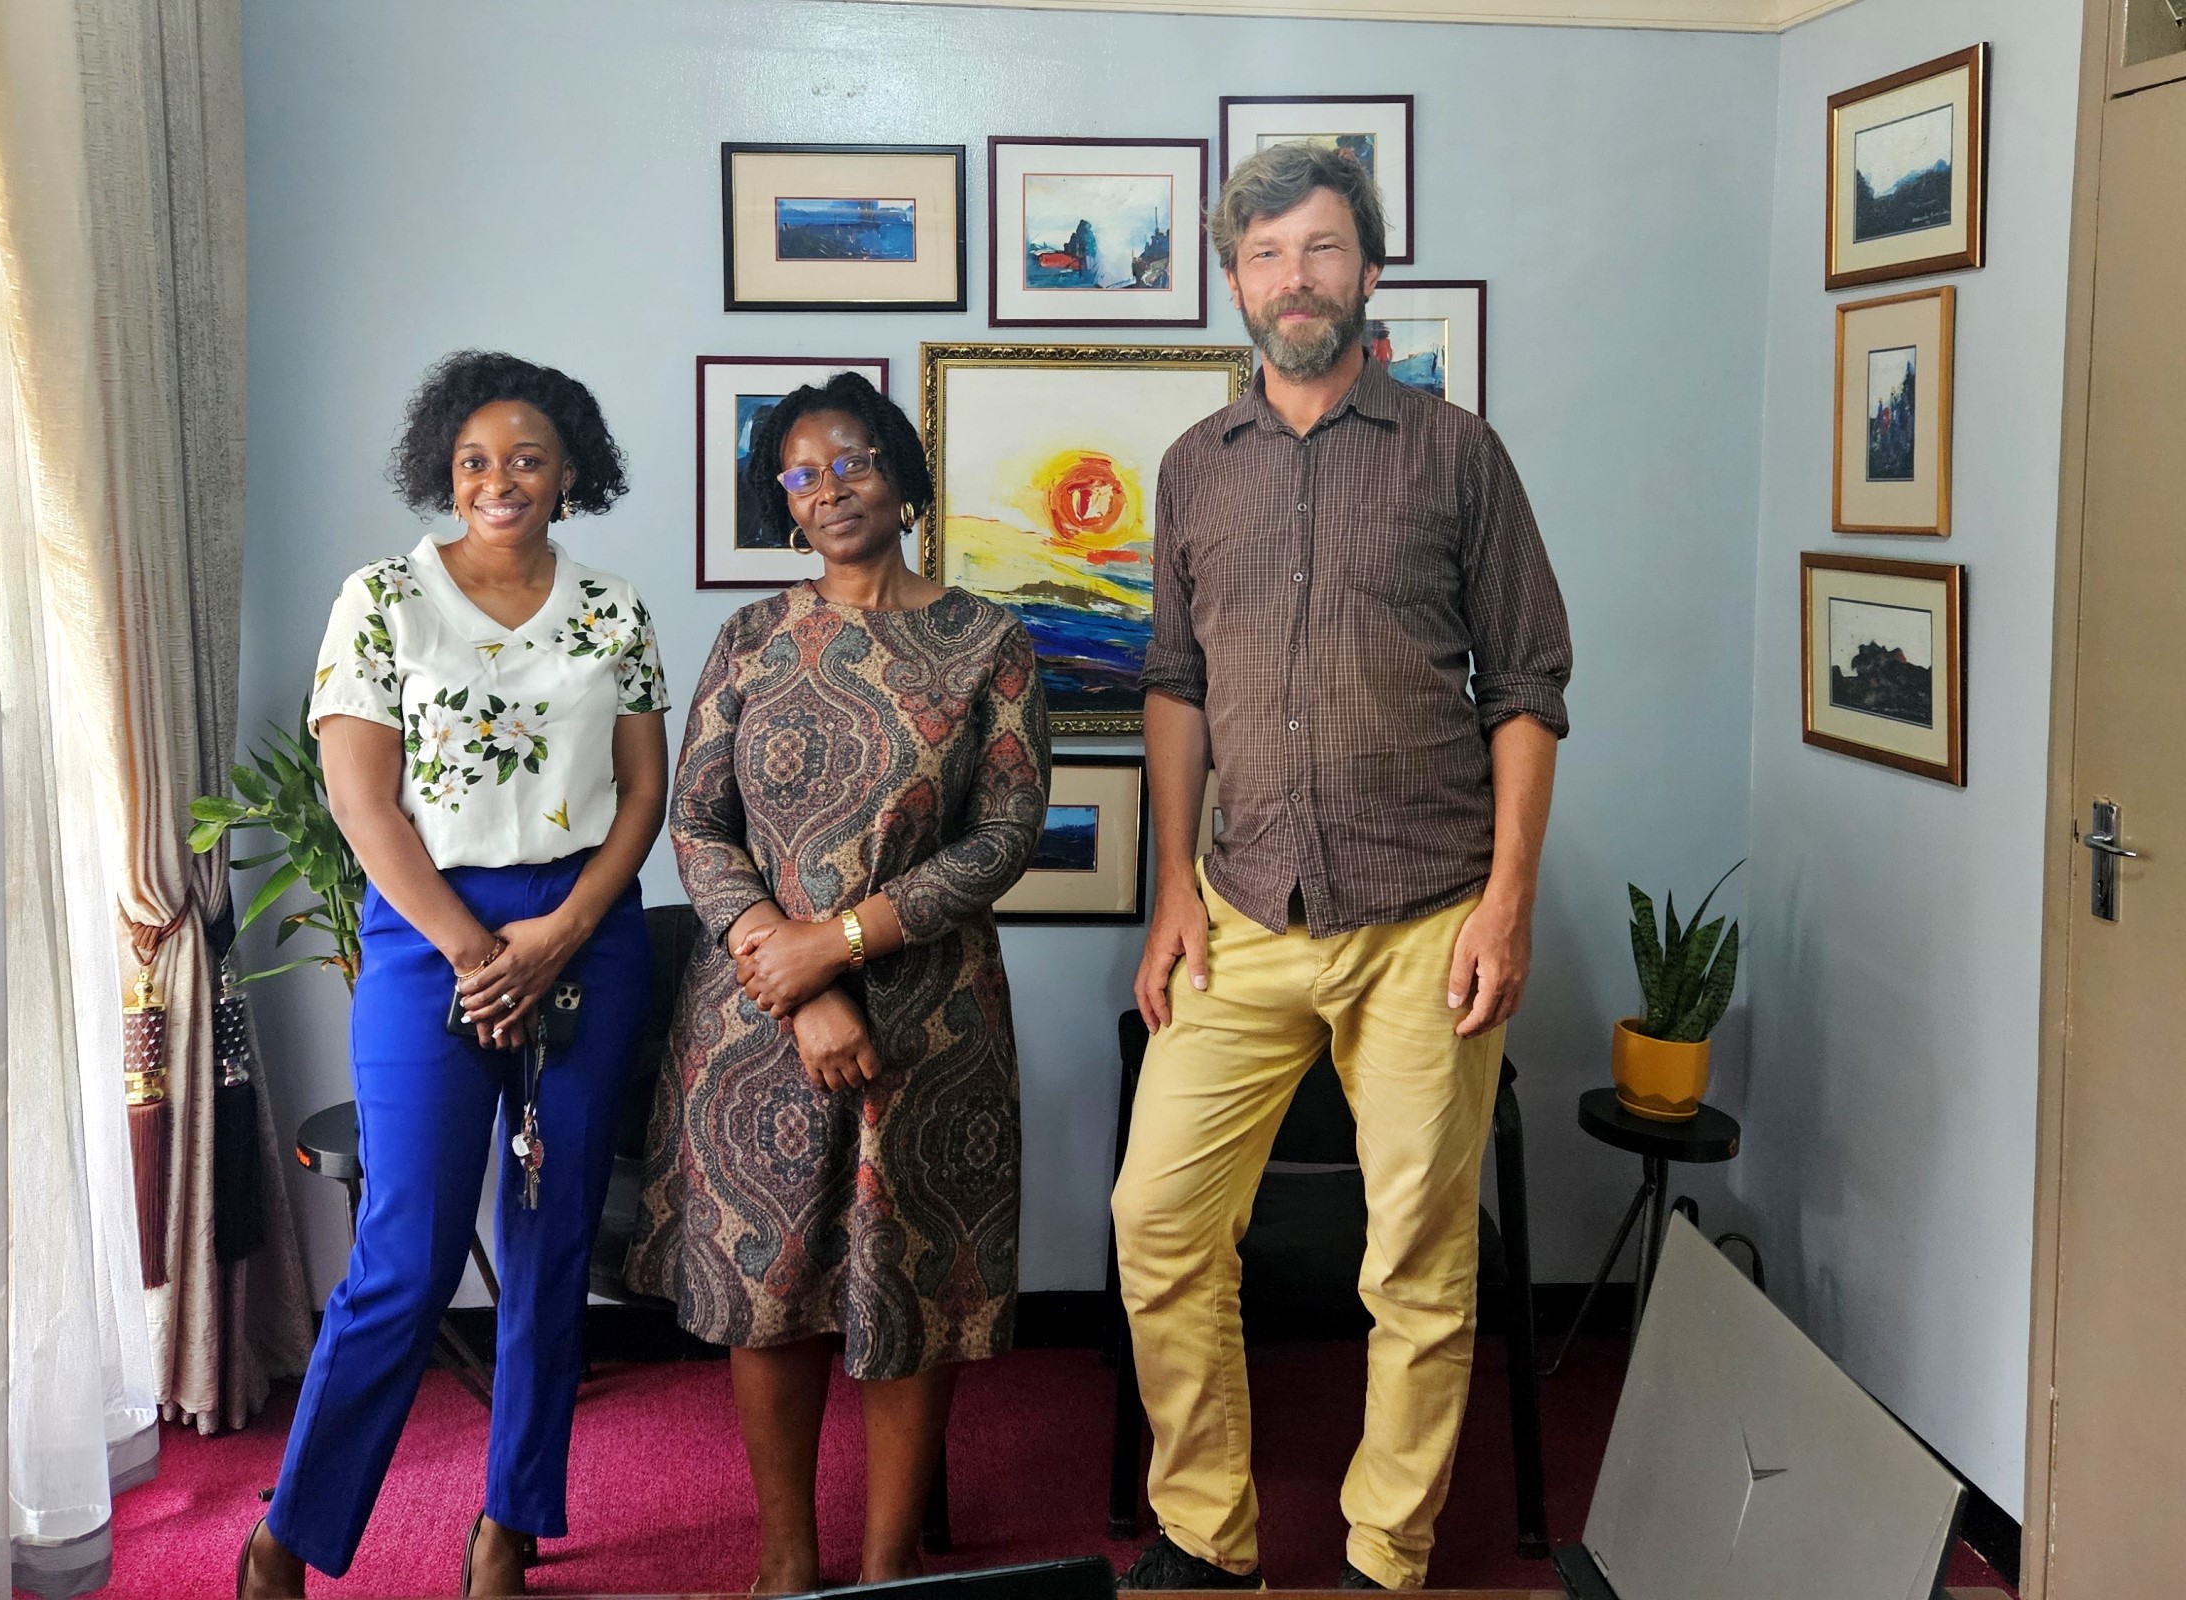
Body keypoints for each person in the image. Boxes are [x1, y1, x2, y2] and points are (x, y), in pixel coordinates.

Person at [1111, 145, 1573, 1593]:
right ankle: (1206, 1533)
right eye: (1264, 255)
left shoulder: (1457, 453)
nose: (1292, 278)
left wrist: (1509, 904)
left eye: (1320, 249)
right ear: (1233, 282)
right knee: (1160, 1223)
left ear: (1369, 271)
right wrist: (1172, 890)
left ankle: (1387, 1552)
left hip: (1429, 916)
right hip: (1244, 912)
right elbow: (1174, 687)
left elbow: (1530, 683)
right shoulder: (1196, 467)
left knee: (1419, 1262)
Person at [239, 352, 670, 1598]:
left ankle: (509, 1522)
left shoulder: (614, 609)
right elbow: (360, 805)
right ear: (444, 466)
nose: (500, 479)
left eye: (527, 457)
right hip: (430, 937)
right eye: (476, 458)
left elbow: (640, 793)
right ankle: (291, 1532)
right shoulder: (380, 599)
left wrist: (566, 931)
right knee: (408, 1252)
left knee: (550, 1243)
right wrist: (482, 953)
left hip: (585, 932)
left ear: (570, 472)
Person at [627, 371, 1050, 1594]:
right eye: (801, 473)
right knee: (775, 1286)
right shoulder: (751, 639)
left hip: (935, 1020)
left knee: (912, 1285)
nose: (829, 486)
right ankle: (786, 1567)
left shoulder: (990, 640)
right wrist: (797, 972)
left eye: (852, 459)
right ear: (782, 501)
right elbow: (696, 823)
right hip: (758, 1021)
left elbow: (1007, 832)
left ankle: (885, 1574)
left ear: (904, 474)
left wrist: (846, 941)